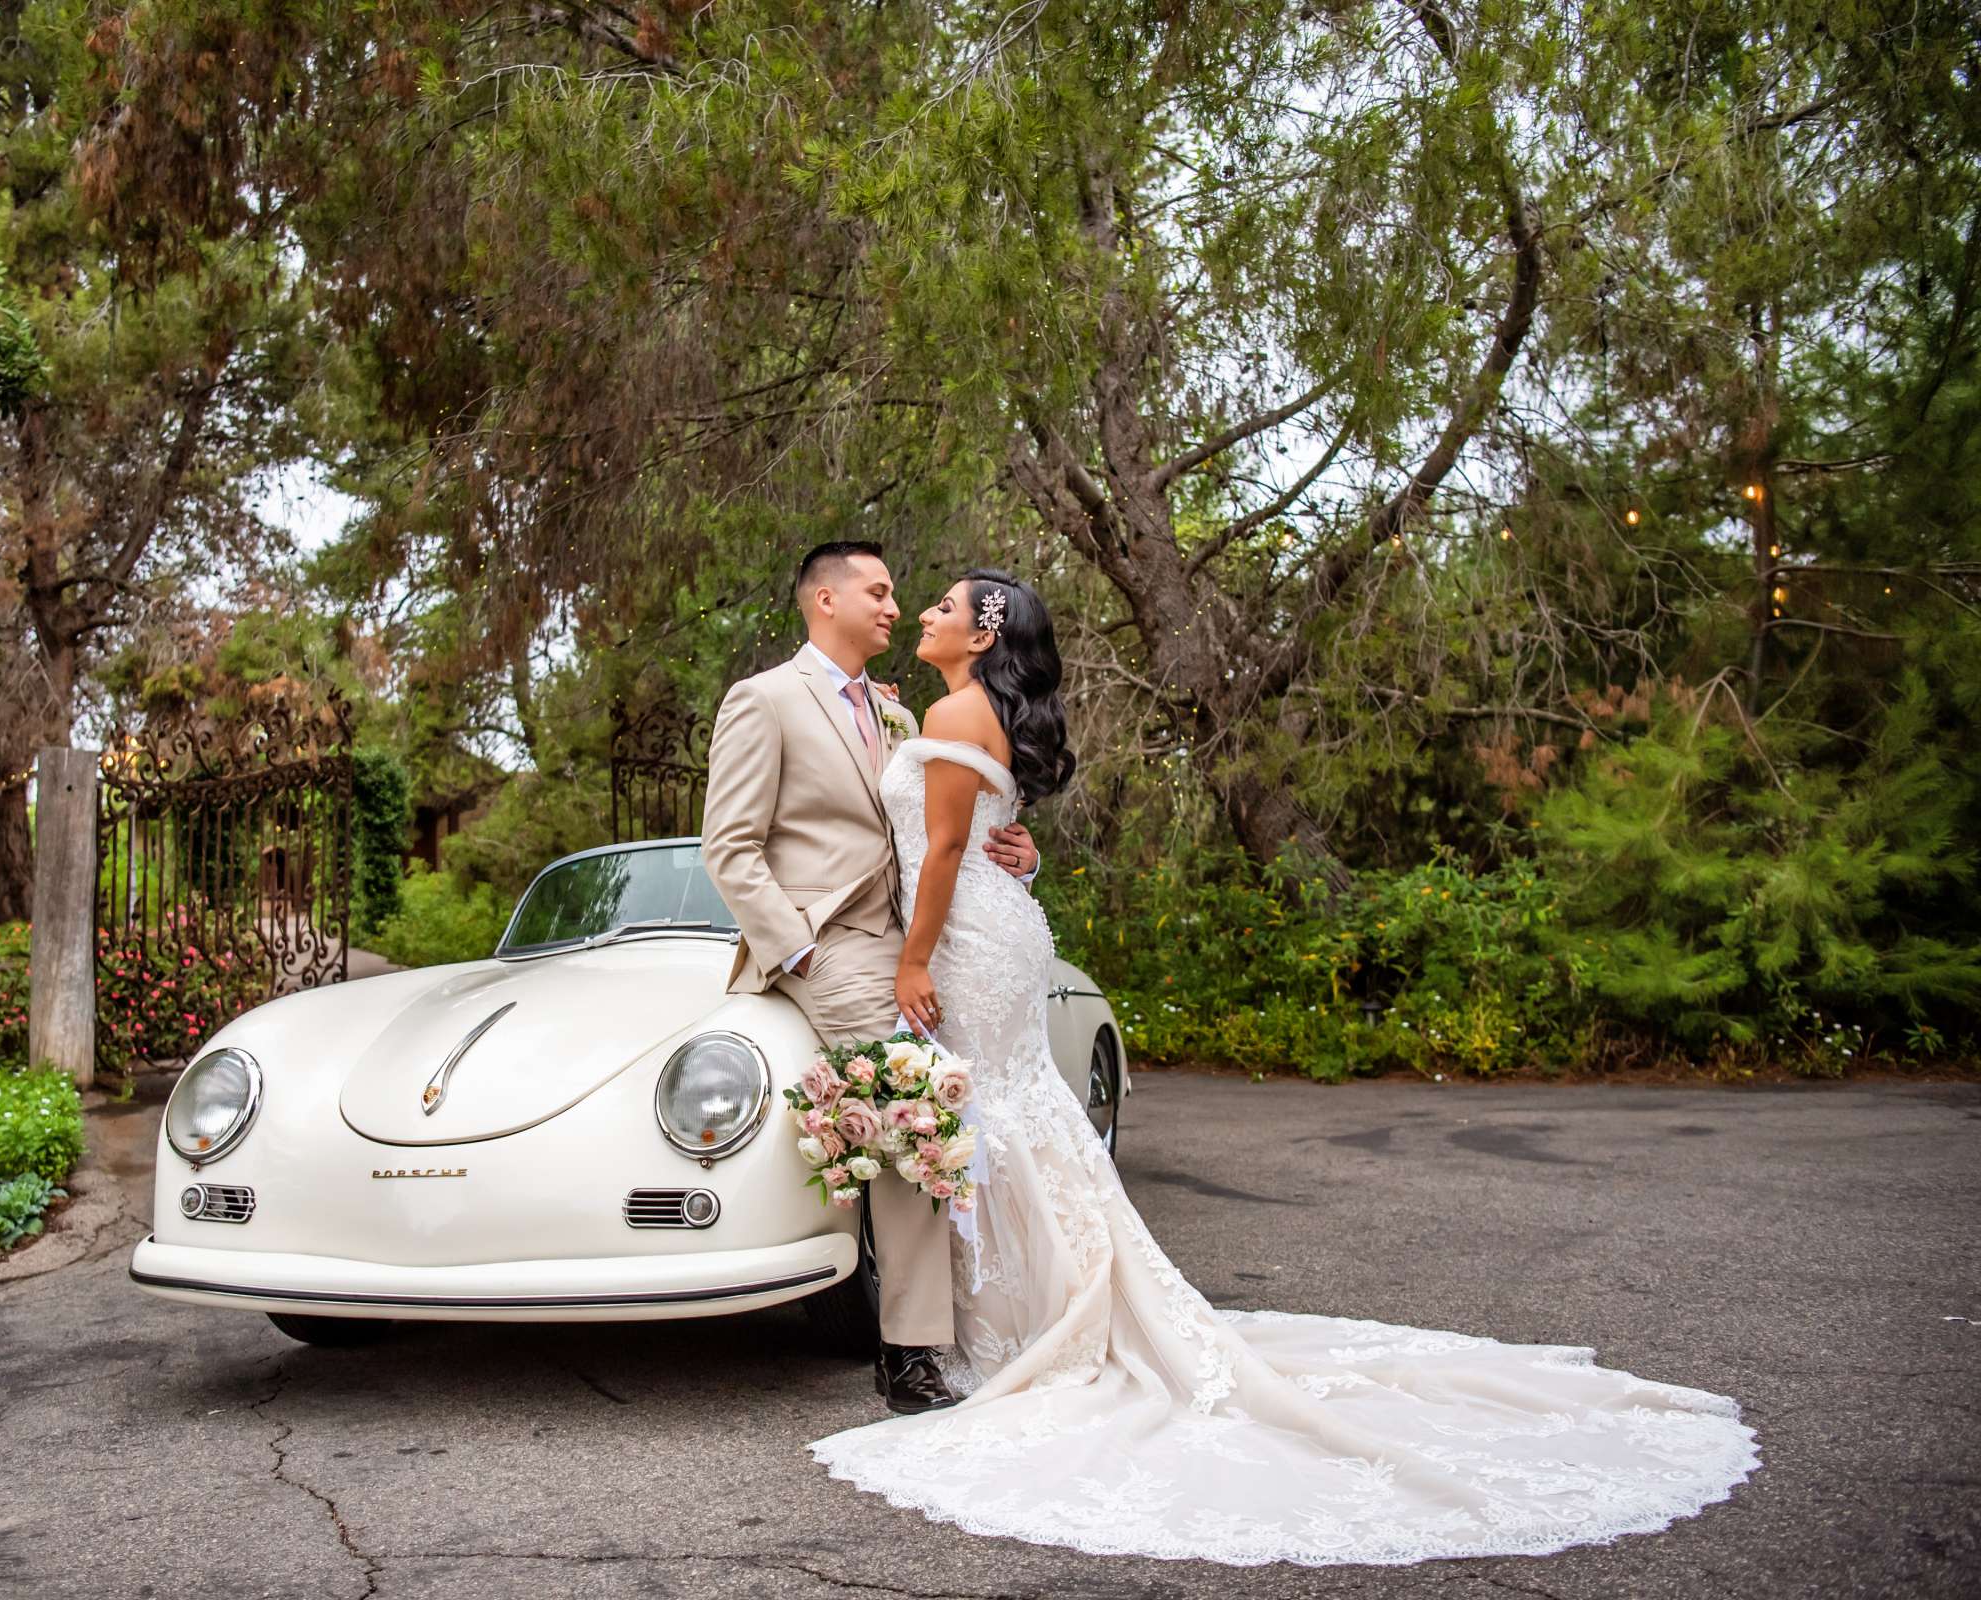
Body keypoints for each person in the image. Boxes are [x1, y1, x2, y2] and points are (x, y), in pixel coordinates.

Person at [803, 567, 1763, 1565]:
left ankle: (1026, 1322)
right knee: (1014, 1113)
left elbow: (951, 844)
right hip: (995, 932)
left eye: (947, 606)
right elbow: (978, 833)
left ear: (986, 634)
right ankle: (1050, 1306)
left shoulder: (957, 708)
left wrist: (913, 958)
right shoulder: (967, 708)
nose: (925, 613)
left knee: (1001, 1116)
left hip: (961, 938)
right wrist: (1019, 867)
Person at [701, 541, 1041, 1416]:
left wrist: (1017, 855)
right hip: (834, 947)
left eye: (900, 596)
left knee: (962, 1106)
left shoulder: (894, 714)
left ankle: (981, 1312)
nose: (896, 607)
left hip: (914, 942)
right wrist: (800, 952)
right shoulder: (764, 700)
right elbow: (730, 850)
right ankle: (911, 1353)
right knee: (909, 1102)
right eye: (879, 592)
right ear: (825, 598)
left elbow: (939, 835)